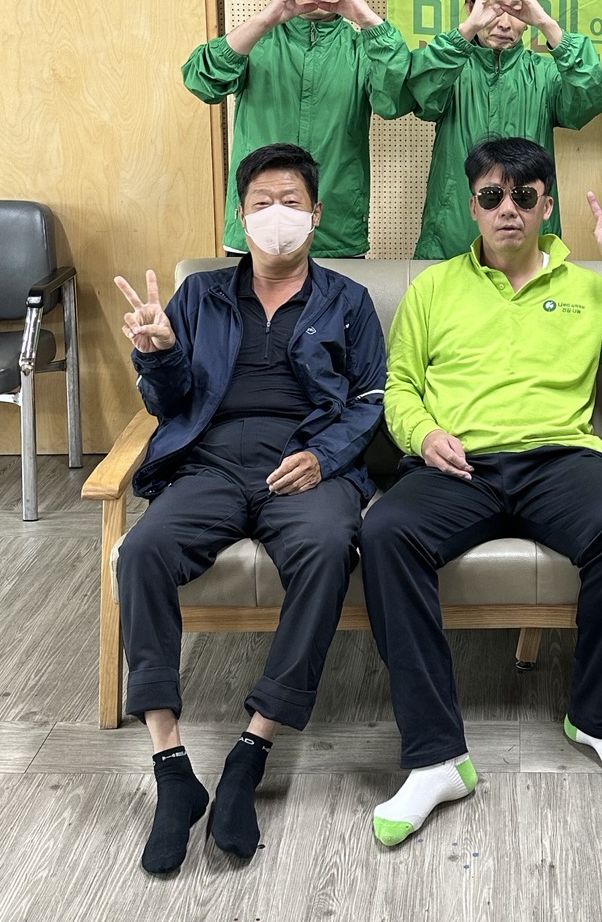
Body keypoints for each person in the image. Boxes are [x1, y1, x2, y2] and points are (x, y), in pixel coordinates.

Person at [361, 137, 602, 845]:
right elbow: (399, 386)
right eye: (492, 196)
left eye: (524, 196)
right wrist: (422, 435)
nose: (509, 209)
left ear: (546, 205)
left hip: (558, 460)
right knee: (384, 532)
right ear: (471, 206)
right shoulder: (433, 287)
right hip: (458, 464)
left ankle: (595, 717)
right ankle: (436, 756)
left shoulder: (589, 286)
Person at [113, 143, 386, 874]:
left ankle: (251, 751)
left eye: (290, 201)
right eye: (261, 203)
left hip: (304, 465)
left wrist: (325, 457)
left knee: (328, 548)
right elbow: (166, 404)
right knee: (141, 552)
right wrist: (157, 354)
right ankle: (172, 767)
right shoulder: (200, 295)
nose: (277, 215)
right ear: (241, 215)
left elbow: (370, 400)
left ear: (316, 214)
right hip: (208, 464)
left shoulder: (347, 300)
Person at [182, 0, 410, 257]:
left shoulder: (363, 47)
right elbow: (202, 82)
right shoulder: (255, 39)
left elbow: (396, 100)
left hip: (334, 232)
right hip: (256, 229)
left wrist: (366, 19)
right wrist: (267, 18)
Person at [407, 0, 602, 258]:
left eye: (515, 11)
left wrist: (546, 24)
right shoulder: (451, 68)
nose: (504, 23)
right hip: (452, 239)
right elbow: (419, 92)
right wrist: (467, 31)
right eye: (494, 7)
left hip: (528, 241)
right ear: (471, 7)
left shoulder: (545, 74)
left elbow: (592, 96)